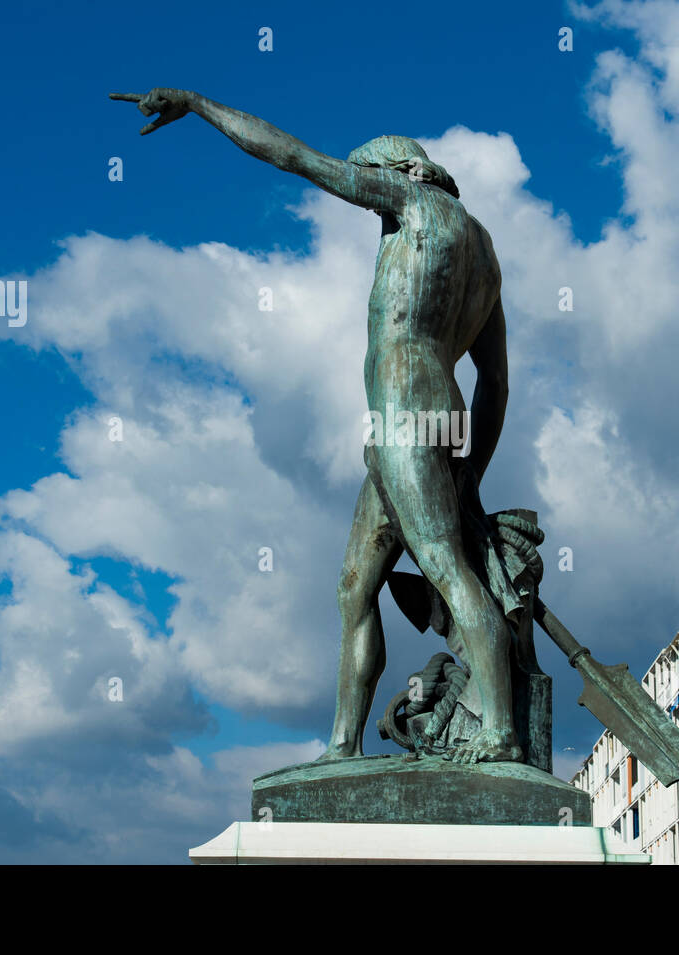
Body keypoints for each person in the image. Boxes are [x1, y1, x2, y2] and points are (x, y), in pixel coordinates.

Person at [113, 89, 518, 763]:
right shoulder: (485, 255)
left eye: (373, 183)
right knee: (354, 586)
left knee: (448, 569)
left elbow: (292, 156)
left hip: (403, 411)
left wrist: (196, 105)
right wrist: (470, 468)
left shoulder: (413, 203)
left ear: (400, 173)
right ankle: (343, 742)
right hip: (435, 417)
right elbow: (496, 383)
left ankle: (502, 731)